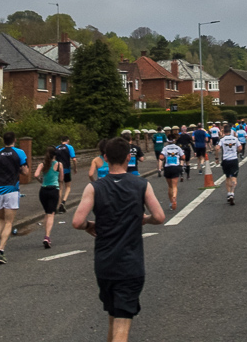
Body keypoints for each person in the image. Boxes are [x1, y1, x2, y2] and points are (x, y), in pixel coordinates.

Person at [72, 137, 166, 342]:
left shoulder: (94, 188)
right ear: (128, 157)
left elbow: (78, 221)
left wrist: (90, 226)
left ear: (105, 158)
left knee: (113, 317)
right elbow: (159, 217)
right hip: (129, 264)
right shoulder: (141, 184)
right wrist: (145, 220)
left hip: (104, 264)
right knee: (122, 324)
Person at [0, 131, 29, 264]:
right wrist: (18, 170)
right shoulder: (19, 152)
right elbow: (25, 171)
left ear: (4, 140)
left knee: (1, 219)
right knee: (9, 222)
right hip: (11, 190)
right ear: (14, 140)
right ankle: (1, 251)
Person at [34, 147, 65, 248]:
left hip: (43, 191)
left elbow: (36, 175)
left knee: (47, 212)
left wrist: (41, 181)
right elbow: (61, 179)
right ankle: (47, 237)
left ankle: (46, 232)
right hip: (53, 190)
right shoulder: (59, 165)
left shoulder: (42, 164)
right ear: (55, 155)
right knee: (51, 214)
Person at [157, 131, 185, 210]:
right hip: (175, 167)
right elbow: (183, 157)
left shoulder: (165, 148)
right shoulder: (178, 148)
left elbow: (161, 157)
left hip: (168, 168)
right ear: (174, 140)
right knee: (175, 186)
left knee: (169, 187)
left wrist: (165, 156)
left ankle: (170, 202)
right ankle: (174, 198)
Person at [218, 125, 241, 205]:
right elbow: (240, 148)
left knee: (227, 177)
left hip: (226, 160)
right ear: (230, 131)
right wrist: (236, 152)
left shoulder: (222, 139)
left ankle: (228, 193)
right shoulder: (235, 139)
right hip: (234, 159)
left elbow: (217, 148)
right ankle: (232, 192)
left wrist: (217, 158)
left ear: (224, 132)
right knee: (234, 177)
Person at [54, 135, 78, 211]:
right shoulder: (69, 147)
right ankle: (63, 202)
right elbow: (74, 159)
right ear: (68, 141)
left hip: (58, 170)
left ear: (61, 141)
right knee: (68, 187)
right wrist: (75, 168)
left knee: (60, 187)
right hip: (66, 169)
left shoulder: (57, 148)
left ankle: (58, 205)